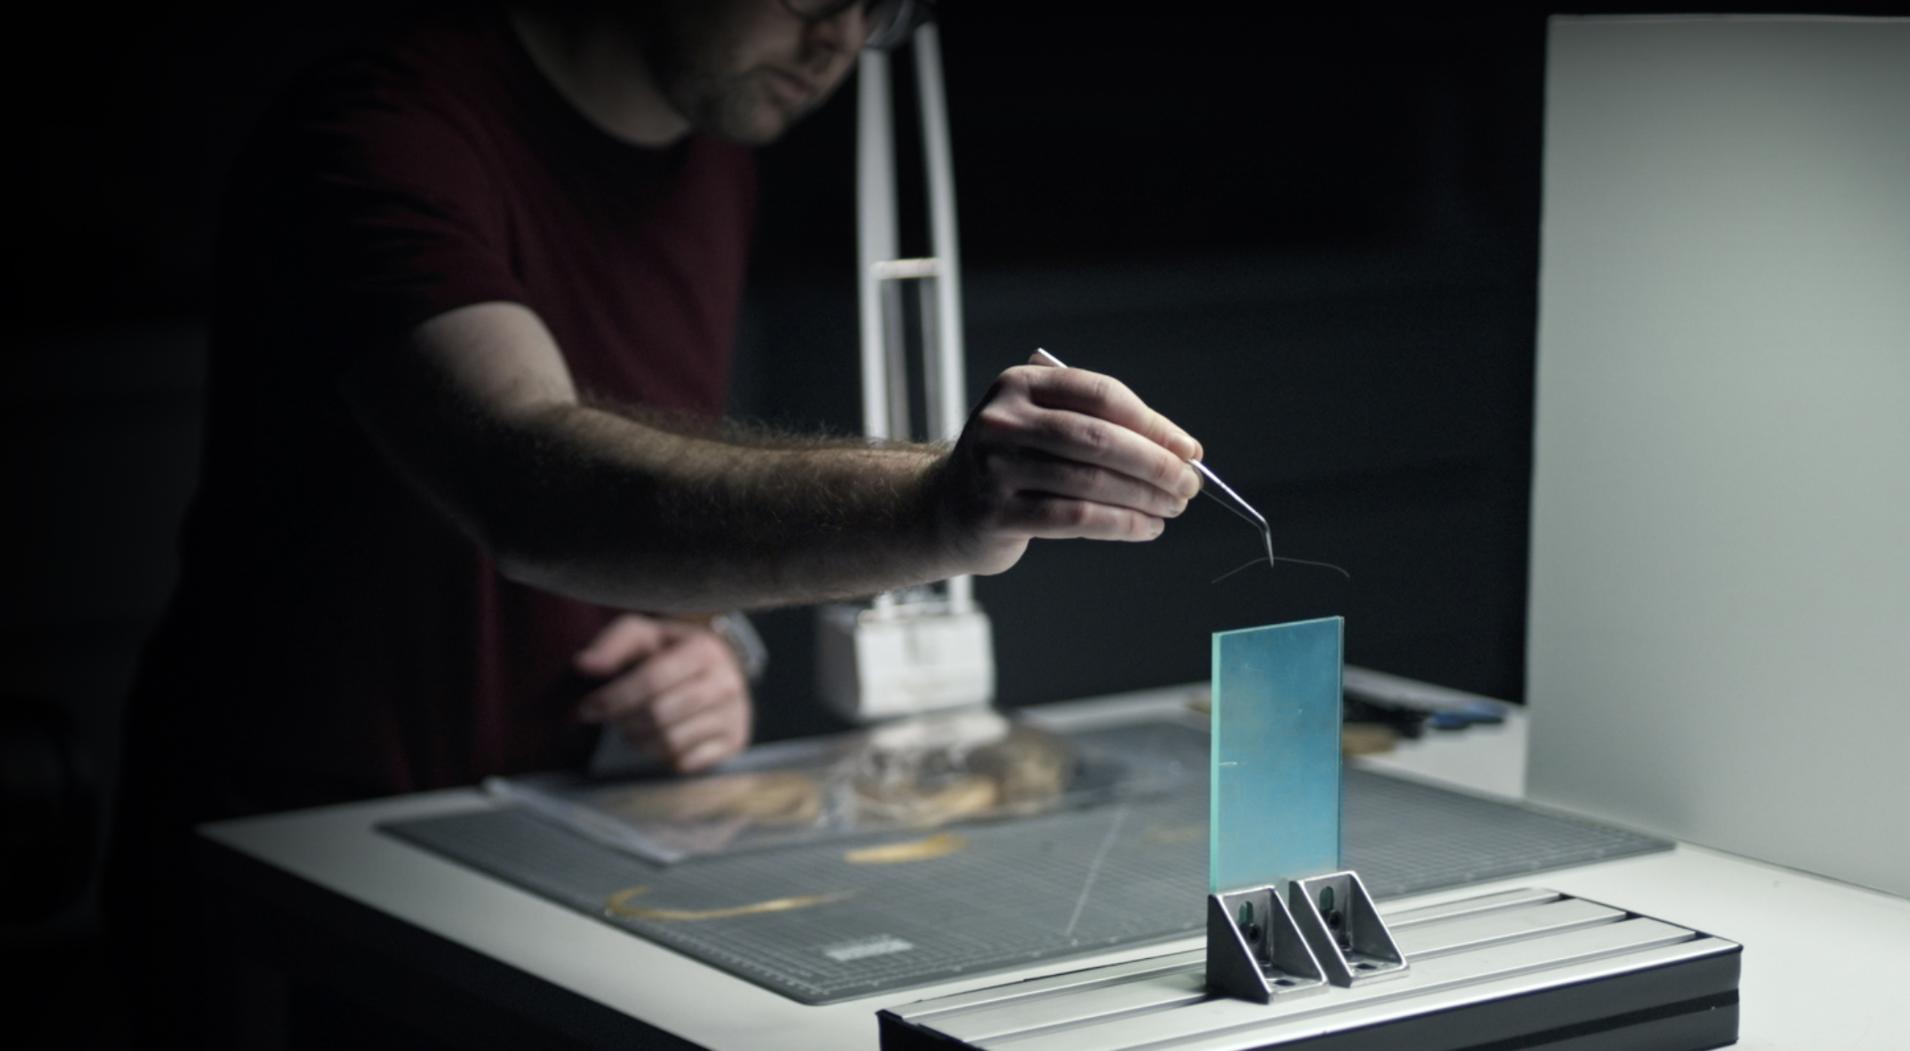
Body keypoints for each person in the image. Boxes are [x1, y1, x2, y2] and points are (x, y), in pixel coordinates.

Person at [106, 0, 1202, 1040]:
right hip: (302, 876)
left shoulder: (716, 145)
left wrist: (713, 641)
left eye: (883, 4)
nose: (843, 38)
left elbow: (654, 458)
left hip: (546, 859)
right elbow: (527, 474)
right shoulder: (384, 136)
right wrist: (938, 502)